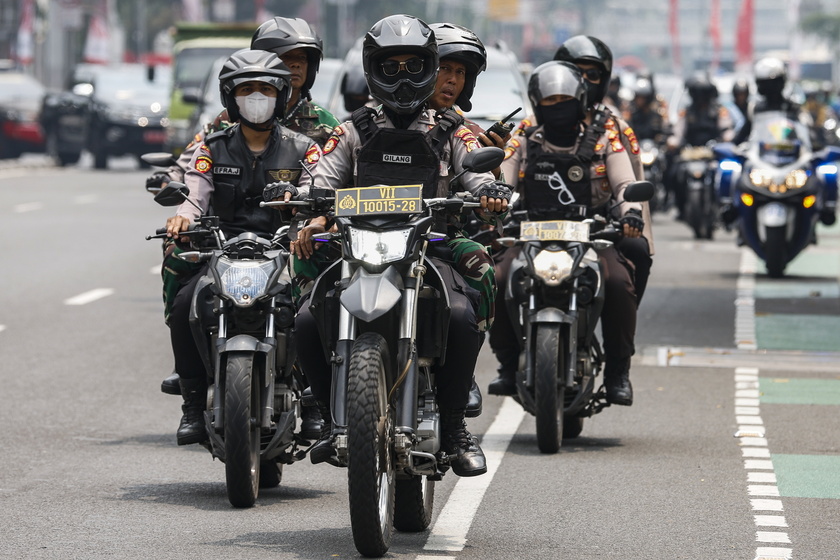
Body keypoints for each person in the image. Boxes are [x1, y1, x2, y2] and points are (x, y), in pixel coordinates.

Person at [292, 14, 510, 476]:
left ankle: (454, 428)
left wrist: (491, 191)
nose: (405, 77)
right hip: (358, 248)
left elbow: (478, 173)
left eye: (416, 65)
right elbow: (318, 176)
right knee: (308, 318)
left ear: (431, 66)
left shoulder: (454, 130)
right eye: (392, 67)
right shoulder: (351, 129)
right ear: (373, 70)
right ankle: (331, 418)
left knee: (460, 314)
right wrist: (309, 207)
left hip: (432, 247)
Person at [153, 17, 338, 439]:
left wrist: (313, 218)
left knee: (314, 307)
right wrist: (182, 214)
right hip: (223, 246)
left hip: (289, 247)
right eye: (247, 90)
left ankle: (312, 398)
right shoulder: (213, 140)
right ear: (231, 97)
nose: (258, 98)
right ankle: (192, 398)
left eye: (268, 90)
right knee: (185, 301)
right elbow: (194, 187)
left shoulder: (306, 145)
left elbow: (323, 184)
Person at [488, 60, 642, 406]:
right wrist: (494, 202)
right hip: (527, 236)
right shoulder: (524, 136)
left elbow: (625, 184)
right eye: (549, 102)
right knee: (495, 280)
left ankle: (619, 371)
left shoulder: (606, 137)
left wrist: (631, 212)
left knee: (618, 283)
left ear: (581, 100)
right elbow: (504, 182)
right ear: (536, 103)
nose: (557, 109)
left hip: (592, 236)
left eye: (565, 102)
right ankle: (507, 364)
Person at [551, 35, 655, 307]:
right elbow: (505, 177)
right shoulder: (531, 125)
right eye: (575, 72)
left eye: (592, 74)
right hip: (536, 226)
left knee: (633, 258)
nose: (583, 80)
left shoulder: (615, 130)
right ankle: (508, 350)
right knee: (499, 273)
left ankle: (618, 349)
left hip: (598, 227)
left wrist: (632, 219)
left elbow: (630, 185)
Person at [666, 72, 733, 221]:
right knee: (674, 173)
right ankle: (680, 207)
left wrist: (727, 138)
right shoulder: (687, 112)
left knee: (728, 175)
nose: (700, 97)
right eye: (697, 93)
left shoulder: (718, 111)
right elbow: (678, 130)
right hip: (690, 153)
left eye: (703, 93)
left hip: (713, 153)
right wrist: (674, 141)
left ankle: (726, 208)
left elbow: (726, 128)